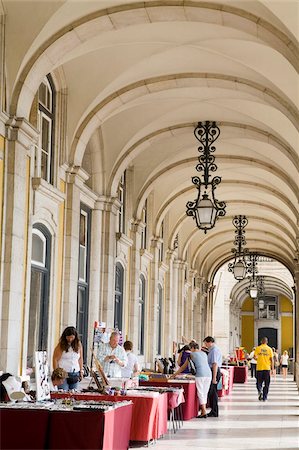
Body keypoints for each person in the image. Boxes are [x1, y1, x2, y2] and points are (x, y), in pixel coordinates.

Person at [172, 342, 211, 418]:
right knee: (205, 392)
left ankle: (204, 412)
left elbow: (183, 367)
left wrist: (174, 375)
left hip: (200, 374)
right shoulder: (204, 354)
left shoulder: (192, 355)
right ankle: (204, 410)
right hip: (208, 374)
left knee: (200, 393)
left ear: (192, 348)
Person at [53, 326, 84, 391]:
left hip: (75, 372)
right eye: (68, 337)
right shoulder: (61, 345)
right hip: (63, 373)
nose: (70, 339)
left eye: (72, 337)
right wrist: (56, 373)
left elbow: (80, 358)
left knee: (73, 394)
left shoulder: (78, 344)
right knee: (63, 392)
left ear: (75, 337)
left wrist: (81, 371)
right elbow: (55, 359)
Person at [203, 336, 222, 417]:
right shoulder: (213, 350)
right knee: (211, 392)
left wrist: (214, 378)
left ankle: (214, 411)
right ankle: (213, 410)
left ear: (210, 342)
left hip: (214, 371)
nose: (205, 345)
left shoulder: (214, 350)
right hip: (213, 371)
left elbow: (214, 364)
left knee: (213, 392)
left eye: (206, 343)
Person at [254, 337, 274, 401]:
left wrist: (259, 358)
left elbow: (255, 357)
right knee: (267, 383)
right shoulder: (269, 349)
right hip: (267, 368)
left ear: (261, 341)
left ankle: (260, 391)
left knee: (258, 382)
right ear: (267, 342)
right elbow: (272, 360)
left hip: (259, 368)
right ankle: (265, 397)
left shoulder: (258, 348)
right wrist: (272, 369)